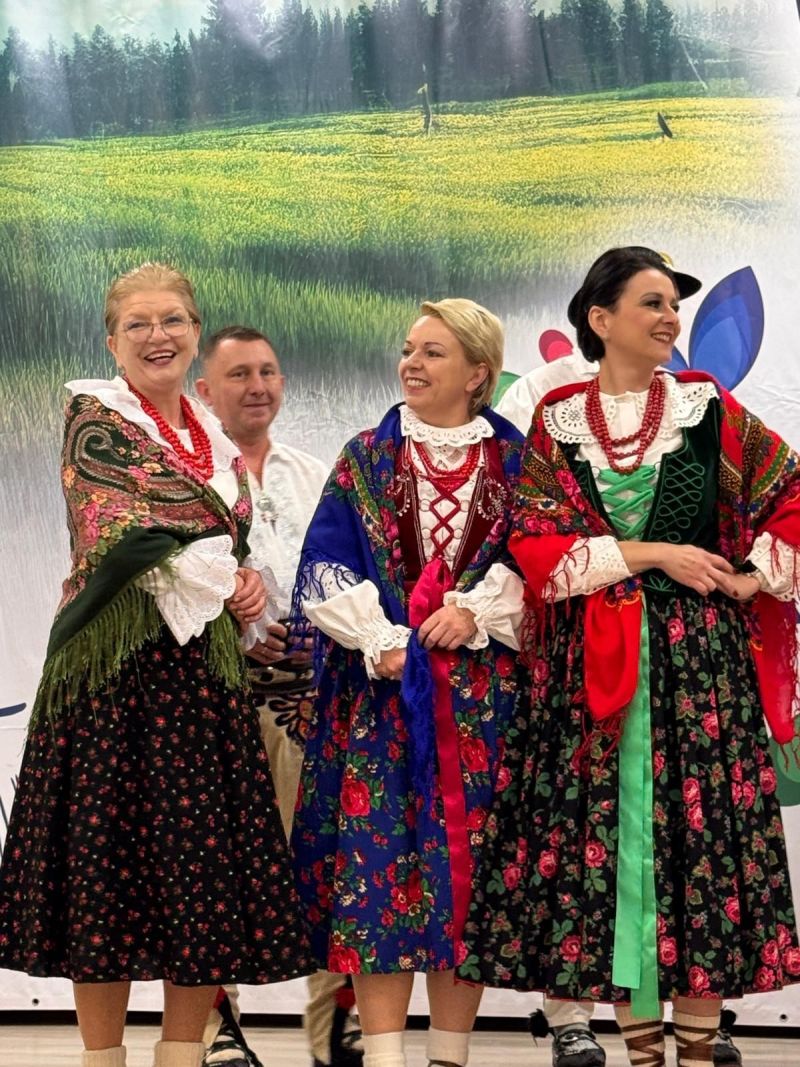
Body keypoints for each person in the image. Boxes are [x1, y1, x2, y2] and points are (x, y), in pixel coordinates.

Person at [459, 247, 800, 1067]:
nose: (670, 318)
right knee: (606, 858)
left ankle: (696, 1050)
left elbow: (791, 493)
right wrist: (653, 554)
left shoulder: (707, 408)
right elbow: (536, 546)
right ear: (600, 318)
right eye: (652, 302)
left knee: (699, 851)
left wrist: (754, 574)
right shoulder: (558, 420)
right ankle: (639, 1052)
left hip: (697, 670)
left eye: (674, 305)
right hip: (590, 673)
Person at [0, 263, 312, 1067]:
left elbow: (224, 539)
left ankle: (183, 1054)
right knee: (102, 884)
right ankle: (102, 1058)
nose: (157, 335)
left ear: (195, 332)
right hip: (113, 680)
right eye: (137, 323)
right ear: (112, 341)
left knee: (199, 882)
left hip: (201, 681)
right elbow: (124, 535)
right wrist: (223, 575)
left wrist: (246, 577)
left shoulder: (208, 433)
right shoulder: (95, 418)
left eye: (172, 319)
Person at [290, 299, 526, 1067]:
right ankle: (385, 1057)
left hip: (483, 711)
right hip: (380, 705)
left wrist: (475, 610)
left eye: (433, 352)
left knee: (463, 887)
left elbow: (540, 559)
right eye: (408, 349)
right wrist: (381, 638)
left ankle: (449, 1056)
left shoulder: (518, 462)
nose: (411, 364)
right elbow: (323, 564)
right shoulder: (367, 456)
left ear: (478, 373)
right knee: (377, 881)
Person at [195, 325, 362, 1067]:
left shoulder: (313, 473)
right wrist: (232, 630)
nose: (257, 386)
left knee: (330, 858)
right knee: (210, 865)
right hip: (214, 697)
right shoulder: (187, 476)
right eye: (238, 374)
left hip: (308, 699)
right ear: (205, 391)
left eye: (267, 371)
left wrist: (322, 635)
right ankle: (214, 1028)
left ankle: (335, 1025)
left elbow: (344, 575)